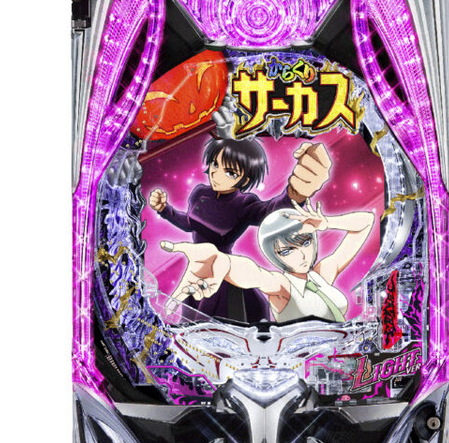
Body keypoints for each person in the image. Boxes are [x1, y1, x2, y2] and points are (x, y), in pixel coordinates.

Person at [149, 137, 332, 322]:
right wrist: (165, 209)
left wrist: (296, 192)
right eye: (215, 164)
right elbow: (189, 223)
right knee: (190, 325)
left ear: (245, 179)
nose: (216, 175)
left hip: (224, 275)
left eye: (230, 172)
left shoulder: (243, 204)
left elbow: (271, 211)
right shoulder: (200, 193)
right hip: (197, 270)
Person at [160, 200, 375, 324]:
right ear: (274, 256)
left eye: (305, 242)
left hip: (339, 355)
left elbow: (366, 222)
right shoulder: (282, 286)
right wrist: (221, 260)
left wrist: (327, 223)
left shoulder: (323, 273)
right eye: (287, 250)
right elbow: (255, 274)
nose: (301, 255)